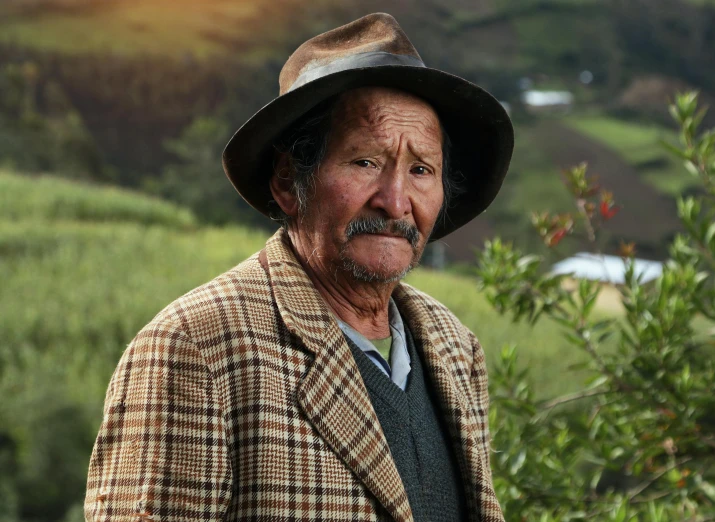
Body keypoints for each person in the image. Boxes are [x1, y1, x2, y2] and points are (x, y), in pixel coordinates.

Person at [85, 12, 513, 522]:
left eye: (422, 170)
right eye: (365, 163)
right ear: (289, 181)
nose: (396, 201)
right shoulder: (194, 348)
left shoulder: (454, 348)